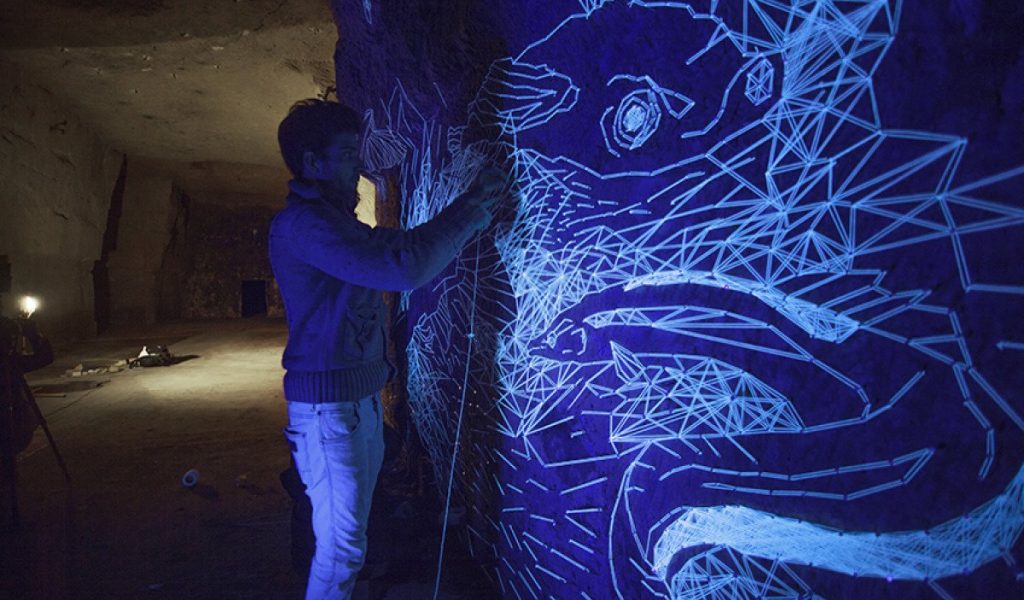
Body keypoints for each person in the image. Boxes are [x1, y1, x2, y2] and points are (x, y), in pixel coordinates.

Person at [269, 99, 503, 600]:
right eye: (349, 154)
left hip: (354, 405)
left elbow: (392, 249)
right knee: (342, 548)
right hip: (331, 413)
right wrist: (471, 209)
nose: (359, 166)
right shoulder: (306, 225)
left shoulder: (331, 220)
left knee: (349, 538)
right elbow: (399, 265)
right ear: (313, 163)